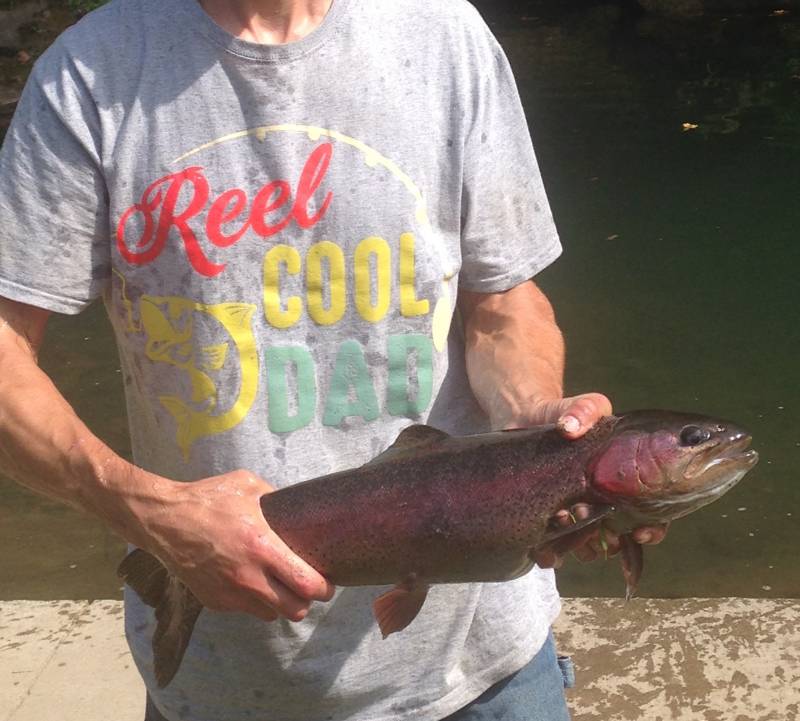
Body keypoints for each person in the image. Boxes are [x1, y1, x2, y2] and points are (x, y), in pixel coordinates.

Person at [0, 1, 666, 719]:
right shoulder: (86, 74)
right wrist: (146, 510)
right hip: (230, 679)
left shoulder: (446, 35)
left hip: (483, 669)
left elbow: (501, 302)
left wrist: (534, 414)